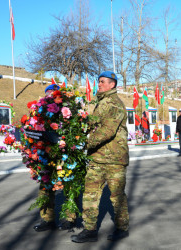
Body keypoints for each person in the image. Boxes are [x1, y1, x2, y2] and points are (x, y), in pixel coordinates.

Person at [71, 71, 130, 243]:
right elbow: (92, 124)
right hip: (97, 158)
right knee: (90, 194)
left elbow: (107, 131)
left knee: (117, 195)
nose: (100, 84)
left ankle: (122, 228)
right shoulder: (101, 102)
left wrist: (84, 142)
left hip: (114, 159)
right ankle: (89, 230)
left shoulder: (114, 104)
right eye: (99, 81)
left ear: (112, 84)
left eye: (103, 82)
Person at [33, 83, 76, 232]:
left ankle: (70, 219)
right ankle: (47, 219)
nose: (51, 96)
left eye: (54, 94)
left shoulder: (69, 111)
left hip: (65, 155)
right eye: (49, 93)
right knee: (45, 187)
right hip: (46, 154)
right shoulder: (39, 113)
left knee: (69, 186)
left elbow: (75, 132)